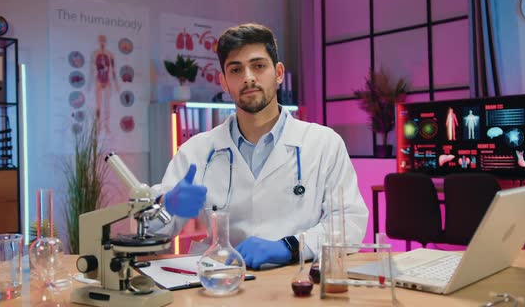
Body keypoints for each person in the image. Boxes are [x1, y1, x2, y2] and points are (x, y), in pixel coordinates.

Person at [151, 23, 368, 270]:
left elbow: (349, 222)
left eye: (258, 66)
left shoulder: (323, 143)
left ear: (278, 73)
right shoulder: (196, 151)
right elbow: (152, 234)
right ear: (223, 82)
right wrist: (164, 207)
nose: (248, 77)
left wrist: (290, 247)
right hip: (217, 281)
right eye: (236, 69)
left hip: (293, 279)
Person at [87, 35, 119, 134]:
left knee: (107, 105)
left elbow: (113, 70)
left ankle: (107, 126)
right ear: (98, 41)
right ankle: (98, 126)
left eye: (104, 40)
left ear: (106, 42)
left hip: (107, 80)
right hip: (98, 80)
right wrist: (89, 83)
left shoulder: (110, 55)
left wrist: (116, 83)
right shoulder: (94, 54)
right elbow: (91, 70)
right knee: (98, 105)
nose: (102, 42)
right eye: (100, 40)